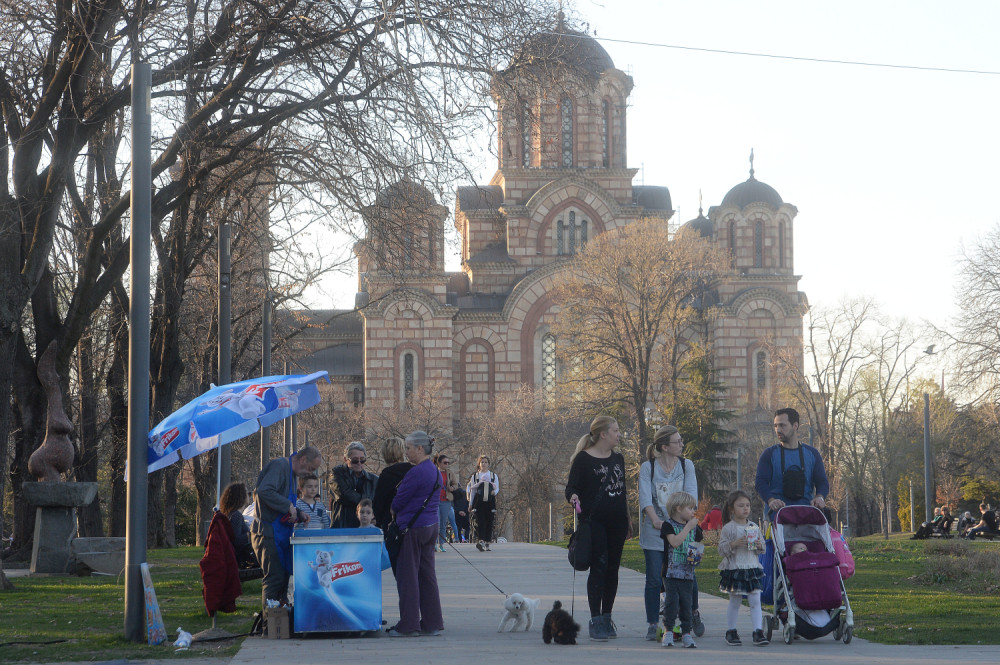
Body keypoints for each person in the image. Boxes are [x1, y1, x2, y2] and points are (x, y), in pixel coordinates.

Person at [565, 416, 632, 642]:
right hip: (594, 523)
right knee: (599, 568)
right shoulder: (583, 460)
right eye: (616, 430)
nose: (619, 434)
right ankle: (595, 619)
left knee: (613, 569)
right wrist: (573, 497)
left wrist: (628, 518)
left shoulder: (619, 459)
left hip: (617, 523)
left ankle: (607, 616)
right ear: (603, 434)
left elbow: (622, 492)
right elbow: (571, 487)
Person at [637, 424, 703, 641]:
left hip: (682, 528)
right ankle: (653, 623)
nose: (681, 444)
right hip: (655, 529)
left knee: (687, 575)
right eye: (677, 441)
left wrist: (684, 523)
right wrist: (656, 519)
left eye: (681, 440)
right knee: (655, 578)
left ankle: (693, 613)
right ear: (664, 446)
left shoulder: (686, 465)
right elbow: (645, 497)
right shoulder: (649, 467)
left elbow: (691, 495)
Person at [251, 445, 324, 607]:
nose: (310, 473)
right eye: (311, 468)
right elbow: (264, 491)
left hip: (281, 534)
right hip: (267, 533)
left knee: (283, 578)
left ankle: (281, 621)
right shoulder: (279, 466)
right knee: (274, 578)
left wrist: (298, 512)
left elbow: (282, 501)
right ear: (303, 459)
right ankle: (269, 625)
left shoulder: (292, 474)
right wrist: (288, 506)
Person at [388, 430, 444, 637]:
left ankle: (409, 625)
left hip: (412, 529)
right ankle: (433, 623)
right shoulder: (435, 470)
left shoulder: (416, 472)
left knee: (408, 578)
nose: (406, 453)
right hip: (431, 527)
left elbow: (398, 502)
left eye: (409, 448)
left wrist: (393, 509)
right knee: (427, 576)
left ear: (420, 448)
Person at [755, 408, 830, 519]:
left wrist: (820, 497)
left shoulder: (812, 454)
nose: (778, 430)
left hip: (806, 518)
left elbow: (822, 482)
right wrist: (771, 500)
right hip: (777, 518)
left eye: (782, 425)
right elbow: (760, 483)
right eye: (775, 426)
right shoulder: (769, 454)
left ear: (795, 426)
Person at [717, 489, 767, 647]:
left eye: (747, 505)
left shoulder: (754, 526)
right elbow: (721, 549)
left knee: (755, 600)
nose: (745, 508)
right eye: (741, 505)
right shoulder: (729, 528)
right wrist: (734, 544)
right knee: (735, 600)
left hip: (752, 567)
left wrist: (759, 545)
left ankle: (758, 631)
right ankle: (731, 631)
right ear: (732, 508)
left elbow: (762, 548)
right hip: (736, 568)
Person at [658, 491, 703, 648]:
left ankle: (686, 633)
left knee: (687, 604)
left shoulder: (695, 528)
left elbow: (696, 546)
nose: (693, 512)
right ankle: (668, 631)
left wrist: (698, 556)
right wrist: (688, 527)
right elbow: (675, 542)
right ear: (678, 508)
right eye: (690, 509)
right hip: (670, 573)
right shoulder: (668, 525)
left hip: (687, 573)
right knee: (671, 603)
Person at [330, 441, 379, 528]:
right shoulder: (337, 474)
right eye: (355, 460)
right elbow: (344, 494)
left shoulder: (373, 480)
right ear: (346, 459)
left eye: (362, 460)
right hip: (342, 526)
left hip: (365, 528)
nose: (359, 463)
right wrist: (365, 502)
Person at [373, 437, 411, 531]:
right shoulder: (412, 470)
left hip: (391, 522)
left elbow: (379, 503)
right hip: (412, 520)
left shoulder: (386, 475)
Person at [220, 482, 257, 569]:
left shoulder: (230, 513)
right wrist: (251, 534)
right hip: (240, 559)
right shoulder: (236, 515)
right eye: (248, 493)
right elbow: (236, 540)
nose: (249, 496)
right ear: (240, 496)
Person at [468, 454, 499, 551]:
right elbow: (472, 490)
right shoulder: (475, 476)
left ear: (488, 464)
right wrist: (470, 504)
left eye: (486, 462)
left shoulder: (493, 476)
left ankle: (487, 541)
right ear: (479, 464)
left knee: (489, 521)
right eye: (482, 462)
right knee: (480, 521)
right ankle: (481, 540)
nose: (484, 464)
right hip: (479, 501)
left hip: (490, 501)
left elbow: (497, 487)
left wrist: (494, 492)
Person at [435, 454, 460, 551]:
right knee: (435, 522)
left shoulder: (449, 473)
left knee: (443, 523)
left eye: (448, 463)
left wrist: (452, 488)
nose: (447, 464)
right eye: (445, 462)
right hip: (435, 500)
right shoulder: (434, 472)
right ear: (439, 463)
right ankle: (434, 543)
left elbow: (455, 484)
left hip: (446, 500)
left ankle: (441, 544)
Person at [358, 498, 392, 571]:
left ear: (372, 515)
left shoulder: (377, 532)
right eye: (362, 512)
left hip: (373, 564)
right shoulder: (354, 533)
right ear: (357, 514)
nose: (364, 515)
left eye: (368, 513)